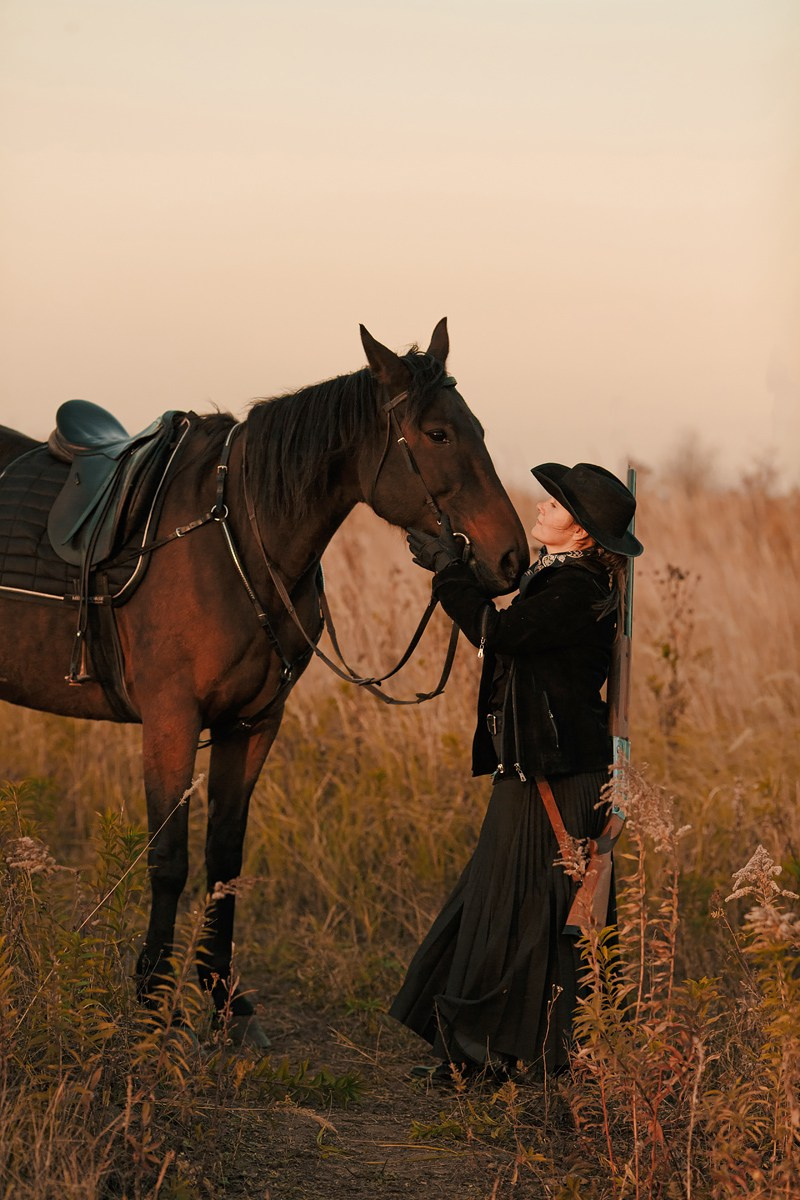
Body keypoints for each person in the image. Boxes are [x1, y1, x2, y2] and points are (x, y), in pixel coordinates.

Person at [389, 462, 643, 1082]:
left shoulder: (578, 589)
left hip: (556, 773)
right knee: (501, 902)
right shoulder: (555, 577)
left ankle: (499, 1053)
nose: (541, 507)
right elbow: (506, 615)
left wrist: (449, 573)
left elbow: (499, 632)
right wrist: (461, 560)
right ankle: (486, 1050)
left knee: (534, 910)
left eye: (555, 505)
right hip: (536, 765)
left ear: (581, 534)